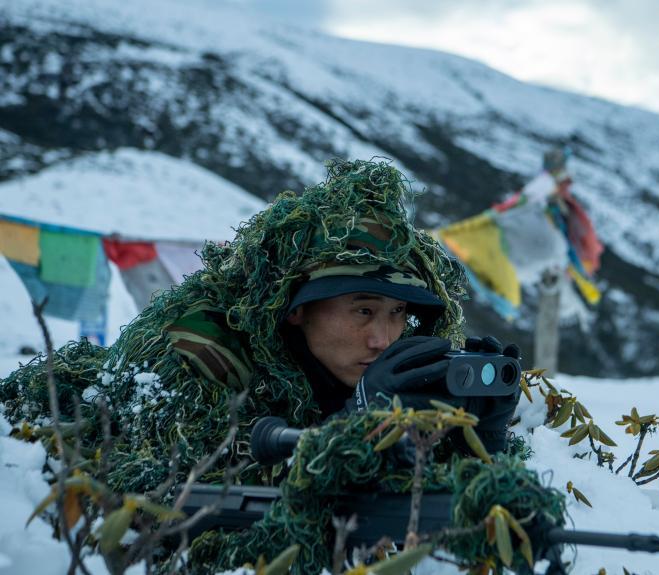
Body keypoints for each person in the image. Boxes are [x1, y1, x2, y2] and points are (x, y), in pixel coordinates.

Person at [0, 158, 520, 496]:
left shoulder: (383, 366)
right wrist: (353, 427)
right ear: (297, 308)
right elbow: (182, 496)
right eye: (363, 311)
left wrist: (484, 437)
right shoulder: (198, 349)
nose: (382, 339)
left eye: (397, 314)